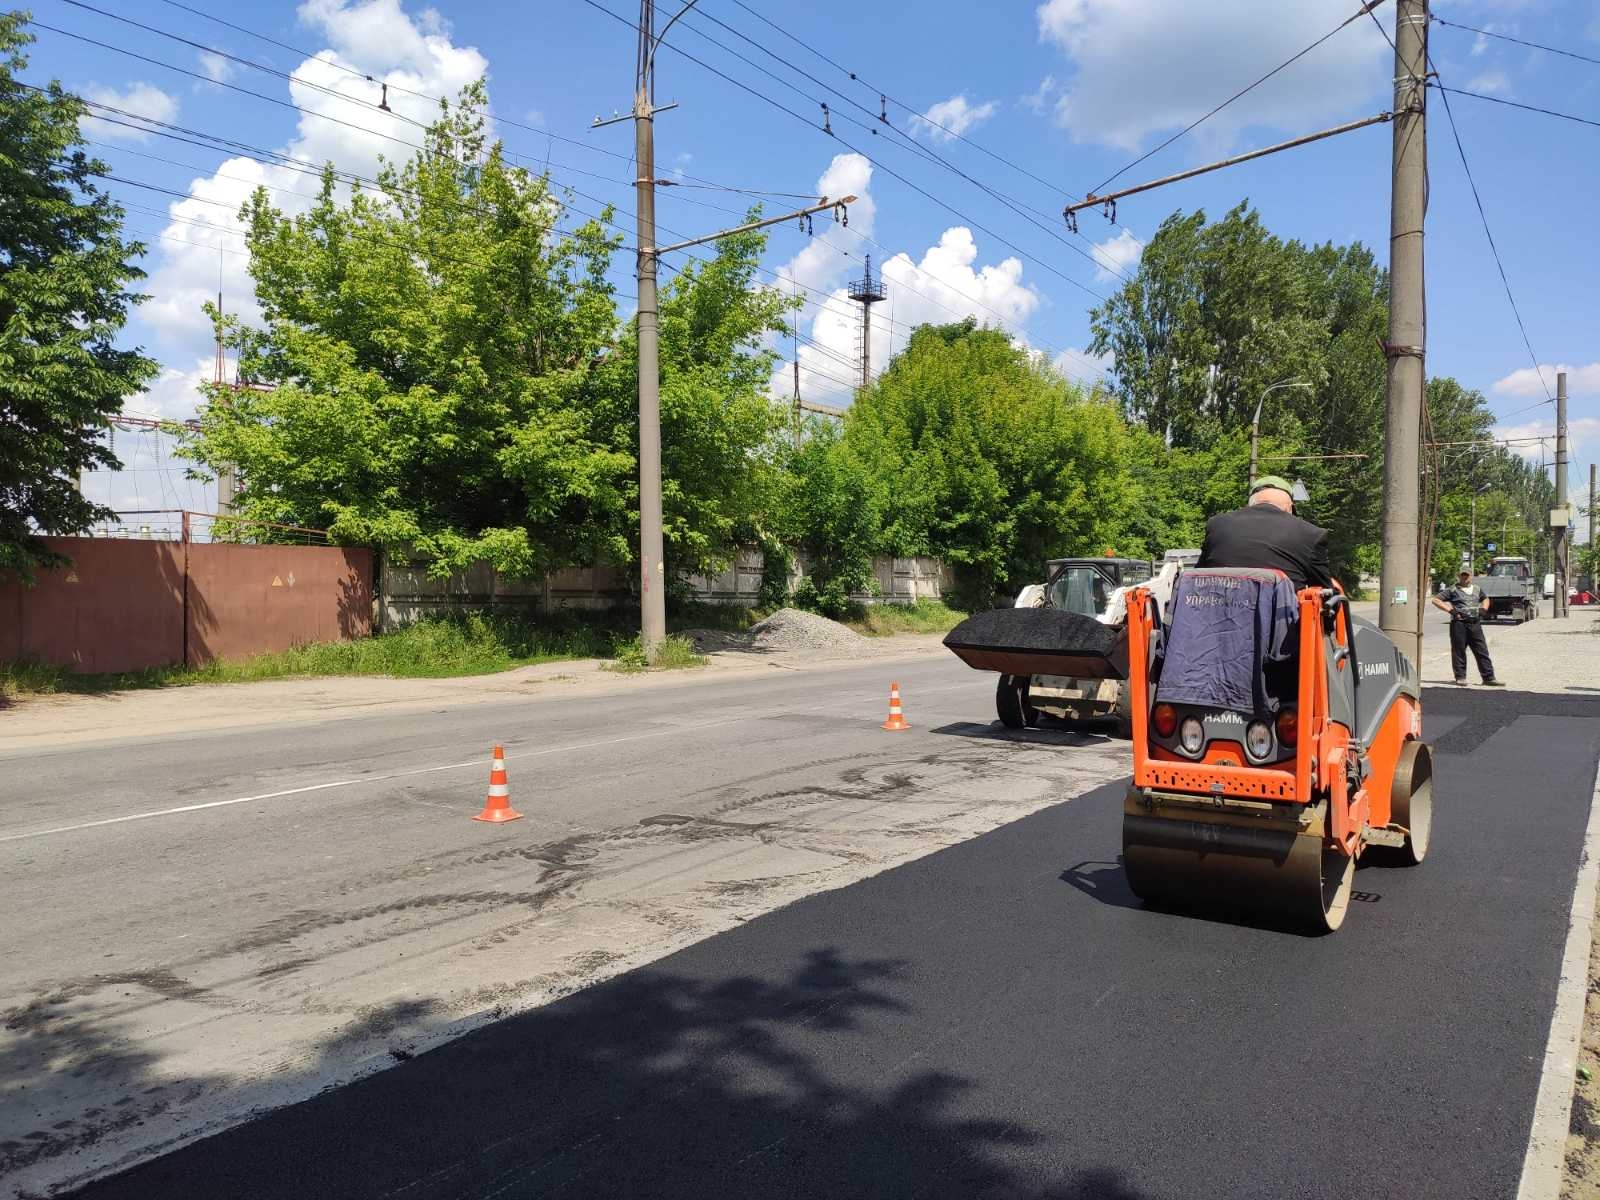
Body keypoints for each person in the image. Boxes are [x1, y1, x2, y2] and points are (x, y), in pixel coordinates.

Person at [1197, 475, 1334, 590]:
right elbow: (1324, 593)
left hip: (1218, 619)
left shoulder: (1217, 524)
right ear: (1289, 507)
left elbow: (1199, 576)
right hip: (1282, 621)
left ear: (1251, 504)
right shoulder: (1312, 534)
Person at [1431, 568, 1503, 686]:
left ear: (1471, 576)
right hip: (1459, 624)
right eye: (1463, 575)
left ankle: (1489, 678)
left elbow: (1485, 598)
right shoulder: (1452, 589)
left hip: (1475, 623)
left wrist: (1484, 609)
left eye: (1467, 575)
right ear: (1459, 576)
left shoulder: (1477, 589)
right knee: (1459, 651)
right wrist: (1451, 611)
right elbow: (1436, 600)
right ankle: (1460, 677)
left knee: (1482, 650)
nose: (1465, 577)